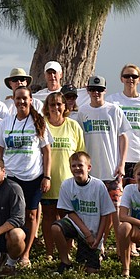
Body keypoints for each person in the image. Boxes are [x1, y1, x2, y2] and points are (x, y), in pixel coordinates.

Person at [0, 87, 52, 267]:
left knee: (31, 216)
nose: (21, 102)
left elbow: (47, 151)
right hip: (11, 177)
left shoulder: (38, 121)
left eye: (25, 98)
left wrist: (47, 176)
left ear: (31, 100)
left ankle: (26, 253)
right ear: (14, 100)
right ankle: (7, 250)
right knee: (8, 215)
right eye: (18, 98)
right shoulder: (6, 122)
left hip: (33, 176)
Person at [52, 152, 115, 274]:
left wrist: (98, 238)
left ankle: (98, 252)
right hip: (77, 226)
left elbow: (105, 215)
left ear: (88, 167)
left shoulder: (98, 185)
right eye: (73, 166)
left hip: (95, 231)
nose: (77, 168)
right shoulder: (66, 185)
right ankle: (65, 261)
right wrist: (86, 234)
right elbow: (70, 212)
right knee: (56, 227)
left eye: (80, 165)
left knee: (91, 271)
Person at [76, 74, 130, 210]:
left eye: (99, 89)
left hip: (112, 171)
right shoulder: (82, 112)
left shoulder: (114, 110)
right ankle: (98, 232)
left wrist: (122, 164)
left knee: (115, 208)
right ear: (87, 90)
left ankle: (116, 232)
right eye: (93, 89)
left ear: (105, 90)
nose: (96, 93)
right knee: (93, 208)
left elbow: (123, 137)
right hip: (91, 172)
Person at [42, 91, 86, 259]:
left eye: (59, 104)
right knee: (48, 217)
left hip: (69, 183)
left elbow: (81, 154)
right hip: (48, 181)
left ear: (65, 106)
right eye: (52, 104)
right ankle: (49, 251)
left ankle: (66, 250)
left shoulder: (73, 126)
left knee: (68, 218)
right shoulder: (42, 125)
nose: (56, 107)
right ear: (47, 107)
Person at [107, 64, 140, 184]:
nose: (130, 79)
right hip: (118, 157)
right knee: (119, 195)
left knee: (139, 192)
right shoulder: (112, 100)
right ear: (121, 79)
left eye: (134, 76)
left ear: (139, 79)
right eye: (127, 76)